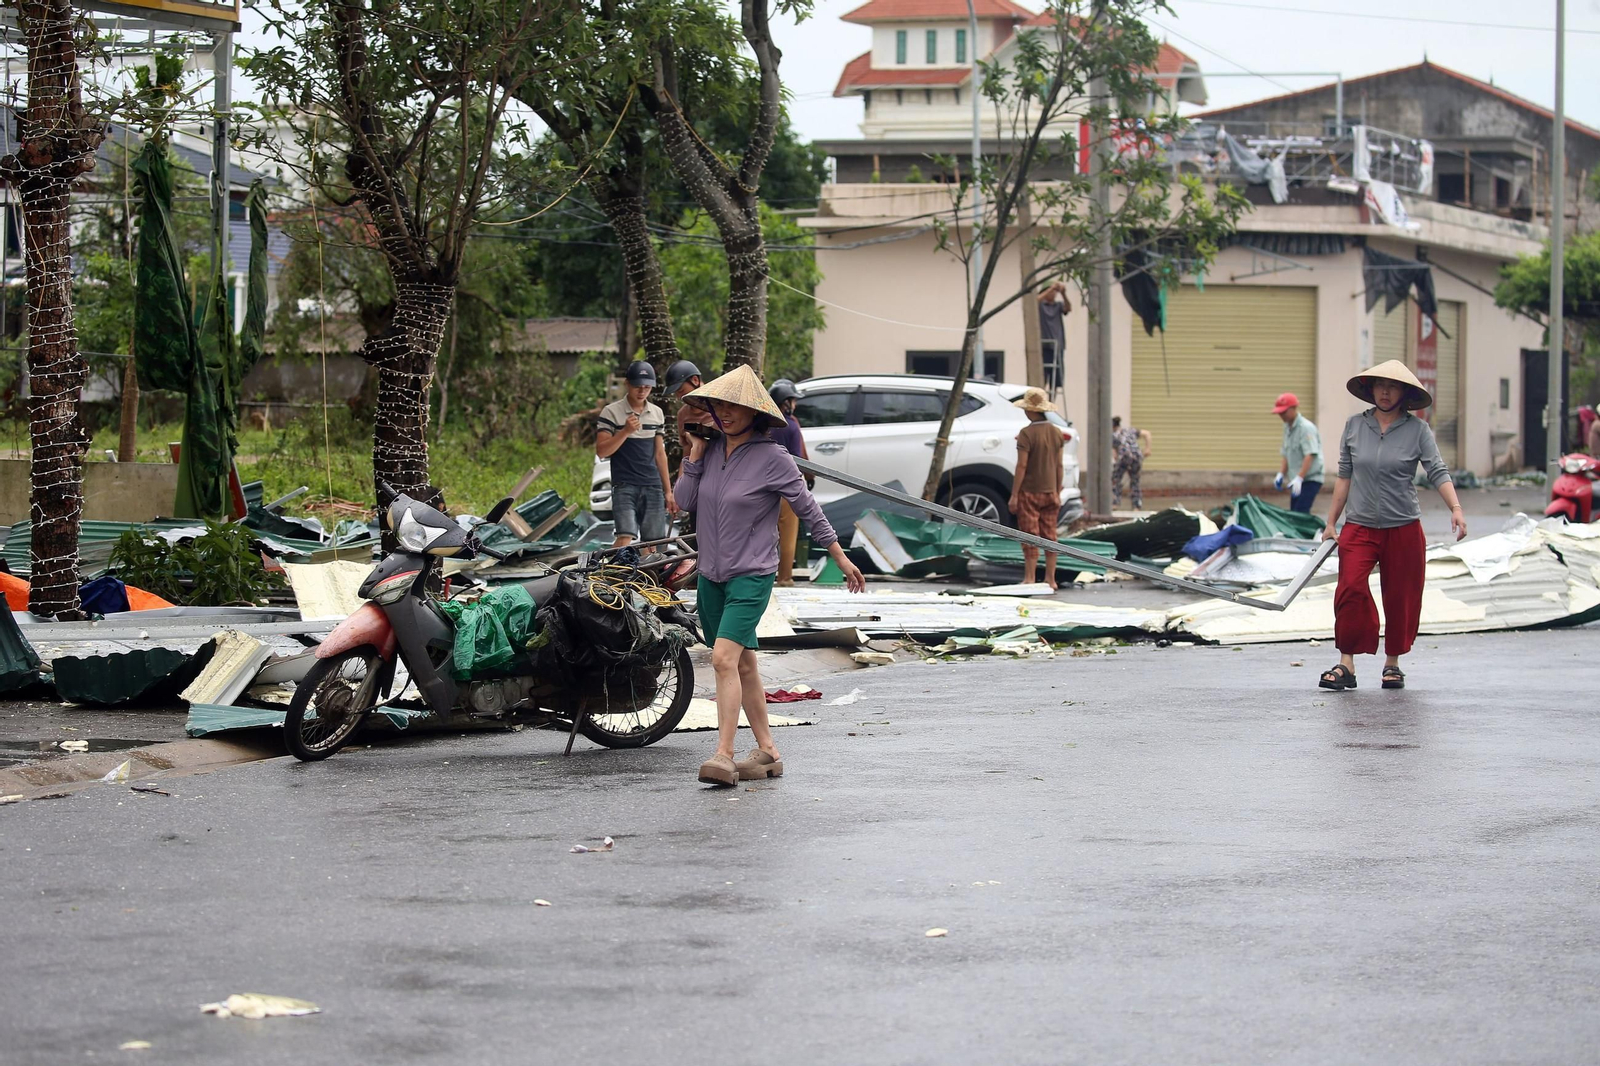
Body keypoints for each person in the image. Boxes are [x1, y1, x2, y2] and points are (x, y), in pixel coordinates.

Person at [674, 365, 865, 787]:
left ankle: (723, 755)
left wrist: (840, 555)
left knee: (723, 659)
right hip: (711, 576)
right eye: (718, 405)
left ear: (754, 412)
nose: (724, 413)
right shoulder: (710, 451)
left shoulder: (772, 458)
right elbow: (684, 500)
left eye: (733, 406)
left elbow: (808, 510)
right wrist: (695, 454)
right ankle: (768, 751)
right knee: (743, 664)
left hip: (751, 576)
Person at [1319, 360, 1467, 693]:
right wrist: (1331, 522)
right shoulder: (1354, 426)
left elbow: (1437, 471)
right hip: (1359, 526)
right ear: (1370, 390)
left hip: (1403, 527)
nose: (1385, 392)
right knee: (1350, 589)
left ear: (1404, 393)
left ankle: (1393, 664)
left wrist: (1456, 508)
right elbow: (1344, 476)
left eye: (1393, 386)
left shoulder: (1418, 431)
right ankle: (1347, 663)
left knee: (1402, 596)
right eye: (1380, 386)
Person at [595, 360, 676, 549]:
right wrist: (625, 431)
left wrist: (668, 491)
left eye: (647, 387)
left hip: (652, 485)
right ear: (627, 384)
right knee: (625, 536)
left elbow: (659, 454)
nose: (642, 391)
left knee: (653, 544)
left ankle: (644, 578)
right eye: (637, 386)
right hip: (624, 485)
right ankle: (606, 574)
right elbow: (602, 451)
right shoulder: (611, 412)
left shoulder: (657, 413)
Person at [1008, 387, 1064, 589]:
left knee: (1030, 536)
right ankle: (1051, 579)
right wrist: (1057, 491)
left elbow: (1022, 465)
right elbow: (1059, 465)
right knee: (1051, 536)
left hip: (1029, 492)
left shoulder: (1026, 434)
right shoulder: (1057, 433)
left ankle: (1030, 578)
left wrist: (1014, 495)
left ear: (1031, 411)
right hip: (1051, 492)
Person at [767, 378, 810, 587]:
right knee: (788, 533)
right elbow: (797, 457)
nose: (795, 404)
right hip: (787, 486)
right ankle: (785, 577)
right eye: (793, 400)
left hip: (763, 485)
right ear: (786, 402)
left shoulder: (763, 423)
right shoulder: (790, 426)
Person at [1271, 392, 1324, 513]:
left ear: (1293, 408)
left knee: (1301, 512)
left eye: (1284, 412)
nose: (1281, 416)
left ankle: (1314, 531)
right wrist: (1281, 474)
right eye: (1280, 413)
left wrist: (1300, 478)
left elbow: (1309, 455)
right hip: (1296, 480)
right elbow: (1286, 453)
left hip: (1310, 478)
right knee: (1294, 513)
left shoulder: (1305, 428)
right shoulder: (1287, 427)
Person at [1110, 416, 1151, 510]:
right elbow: (1147, 434)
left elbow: (1115, 455)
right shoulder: (1130, 430)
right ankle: (1137, 505)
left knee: (1115, 479)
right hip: (1137, 457)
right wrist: (1148, 449)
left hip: (1124, 457)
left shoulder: (1113, 435)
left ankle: (1115, 503)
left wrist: (1117, 464)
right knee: (1135, 480)